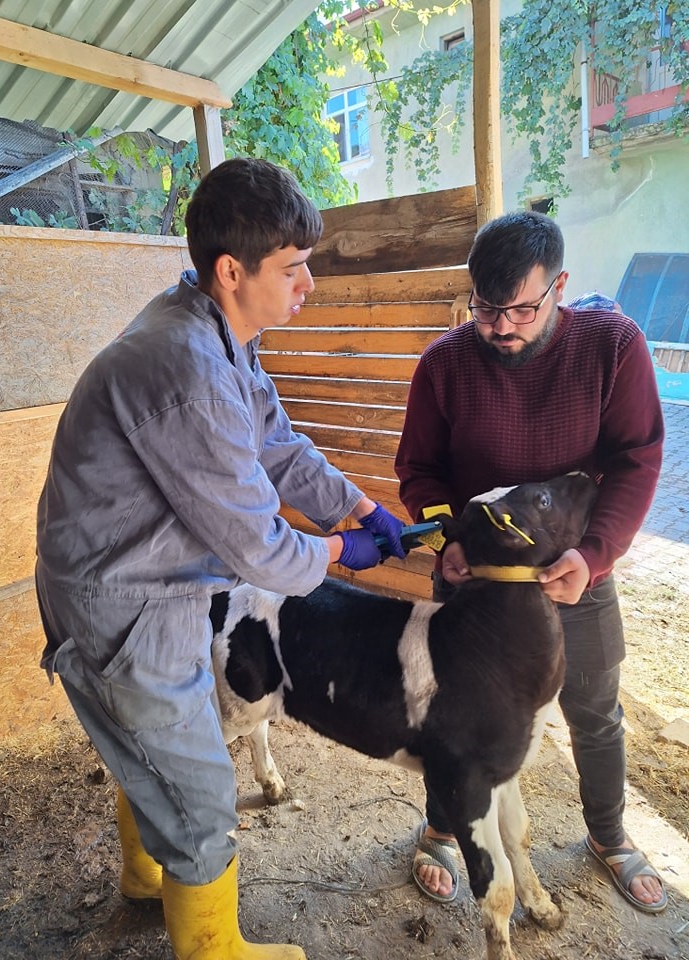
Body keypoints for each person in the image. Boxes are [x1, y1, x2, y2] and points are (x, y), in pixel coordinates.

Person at [35, 157, 408, 960]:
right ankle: (213, 951)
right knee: (200, 793)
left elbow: (274, 443)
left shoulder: (217, 331)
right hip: (124, 600)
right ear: (232, 270)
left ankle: (145, 880)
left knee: (160, 752)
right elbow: (258, 548)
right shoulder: (189, 369)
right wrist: (340, 551)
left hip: (139, 579)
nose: (308, 285)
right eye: (295, 268)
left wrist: (356, 503)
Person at [394, 210, 668, 915]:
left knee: (593, 708)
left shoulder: (612, 346)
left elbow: (636, 459)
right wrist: (442, 539)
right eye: (486, 309)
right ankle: (442, 827)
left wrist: (595, 553)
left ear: (560, 288)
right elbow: (418, 472)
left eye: (521, 308)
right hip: (474, 576)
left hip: (574, 573)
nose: (502, 327)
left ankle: (607, 835)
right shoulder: (443, 364)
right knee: (452, 712)